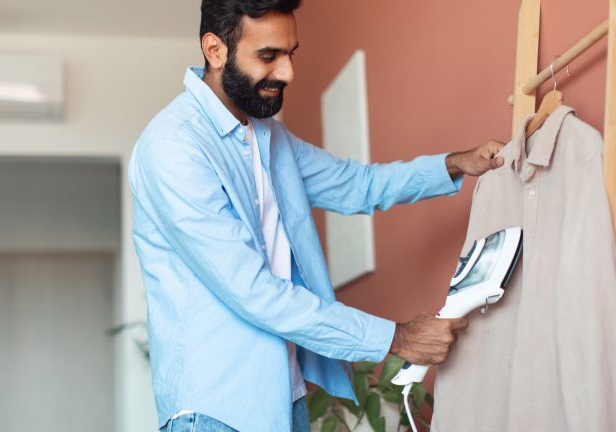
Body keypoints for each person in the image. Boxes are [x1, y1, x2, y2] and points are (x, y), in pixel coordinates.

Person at [128, 1, 505, 431]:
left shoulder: (269, 137)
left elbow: (357, 185)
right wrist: (396, 338)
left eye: (291, 54)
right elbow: (252, 291)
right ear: (215, 50)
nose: (288, 73)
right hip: (214, 410)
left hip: (285, 397)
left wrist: (457, 163)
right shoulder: (174, 149)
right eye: (269, 56)